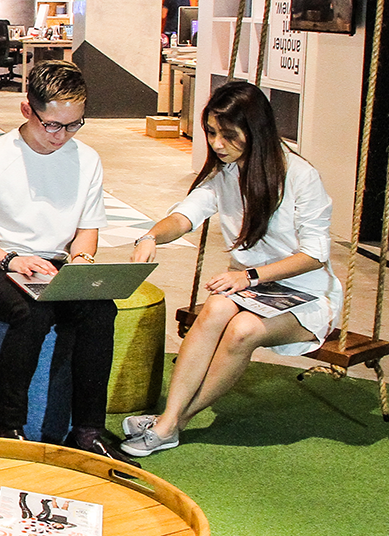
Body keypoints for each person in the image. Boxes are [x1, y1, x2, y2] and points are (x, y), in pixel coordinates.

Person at [121, 81, 342, 457]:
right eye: (211, 132)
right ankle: (169, 422)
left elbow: (315, 255)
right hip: (251, 289)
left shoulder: (300, 175)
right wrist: (151, 236)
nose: (217, 144)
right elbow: (184, 216)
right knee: (216, 308)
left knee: (242, 330)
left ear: (255, 131)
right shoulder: (224, 174)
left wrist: (249, 276)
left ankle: (170, 424)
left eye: (227, 134)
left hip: (305, 294)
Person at [0, 60, 137, 465]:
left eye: (73, 125)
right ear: (26, 109)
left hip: (56, 266)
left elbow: (87, 228)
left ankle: (88, 431)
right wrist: (11, 259)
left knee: (100, 309)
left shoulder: (87, 159)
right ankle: (8, 428)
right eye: (51, 125)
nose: (61, 136)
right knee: (33, 311)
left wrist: (83, 259)